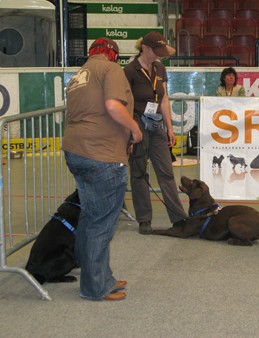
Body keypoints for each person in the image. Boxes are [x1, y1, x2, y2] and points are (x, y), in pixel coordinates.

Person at [62, 37, 143, 301]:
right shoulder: (110, 69)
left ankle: (98, 276)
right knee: (101, 224)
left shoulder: (79, 75)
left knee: (89, 218)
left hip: (77, 151)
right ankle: (96, 287)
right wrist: (134, 128)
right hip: (102, 155)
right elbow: (112, 106)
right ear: (114, 56)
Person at [124, 31, 188, 235]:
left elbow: (164, 99)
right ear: (145, 49)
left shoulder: (160, 68)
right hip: (138, 124)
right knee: (139, 173)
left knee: (166, 172)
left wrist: (169, 127)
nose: (160, 56)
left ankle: (178, 218)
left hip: (156, 125)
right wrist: (132, 130)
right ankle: (144, 219)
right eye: (157, 52)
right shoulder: (129, 70)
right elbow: (125, 103)